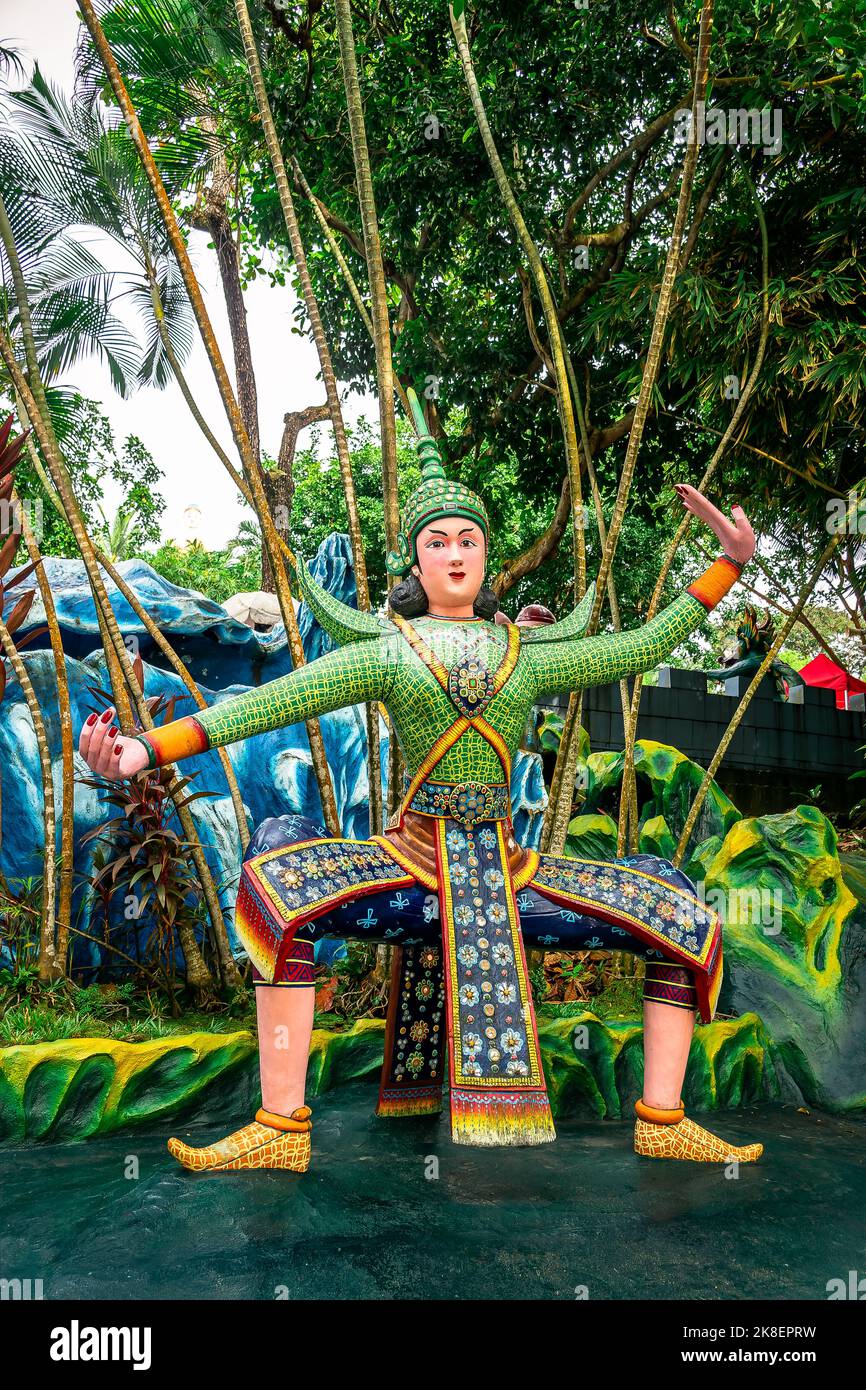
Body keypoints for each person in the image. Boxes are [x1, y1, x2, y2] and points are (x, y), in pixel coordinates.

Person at [79, 388, 762, 1171]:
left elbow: (641, 646)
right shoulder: (387, 648)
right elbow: (269, 703)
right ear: (418, 561)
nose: (456, 551)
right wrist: (143, 751)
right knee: (276, 880)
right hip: (410, 865)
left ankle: (662, 1118)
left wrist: (727, 567)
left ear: (485, 555)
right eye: (439, 541)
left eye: (469, 538)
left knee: (675, 905)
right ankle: (278, 1125)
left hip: (513, 872)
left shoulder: (531, 651)